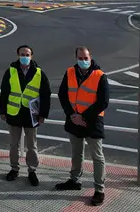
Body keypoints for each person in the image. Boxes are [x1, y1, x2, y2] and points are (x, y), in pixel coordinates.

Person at [55, 46, 110, 207]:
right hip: (74, 120)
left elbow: (103, 102)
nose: (83, 61)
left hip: (92, 122)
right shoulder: (70, 72)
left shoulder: (100, 76)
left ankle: (99, 190)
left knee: (97, 157)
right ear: (76, 58)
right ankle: (74, 180)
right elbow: (62, 94)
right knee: (76, 153)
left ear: (91, 57)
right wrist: (73, 115)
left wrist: (83, 117)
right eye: (80, 58)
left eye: (86, 58)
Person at [0, 45, 52, 186]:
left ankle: (32, 171)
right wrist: (2, 111)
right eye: (22, 54)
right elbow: (4, 92)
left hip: (31, 114)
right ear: (18, 55)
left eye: (27, 54)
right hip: (14, 112)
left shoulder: (39, 73)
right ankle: (14, 169)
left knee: (32, 146)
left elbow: (46, 95)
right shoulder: (10, 71)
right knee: (13, 144)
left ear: (31, 56)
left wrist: (43, 115)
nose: (25, 57)